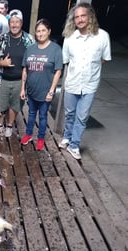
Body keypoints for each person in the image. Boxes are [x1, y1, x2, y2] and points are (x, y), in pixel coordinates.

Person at [58, 2, 111, 160]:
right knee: (70, 114)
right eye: (76, 17)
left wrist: (90, 67)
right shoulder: (69, 38)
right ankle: (67, 137)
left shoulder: (102, 36)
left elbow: (104, 59)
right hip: (72, 83)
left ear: (90, 17)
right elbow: (66, 60)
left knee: (82, 117)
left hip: (89, 85)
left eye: (83, 16)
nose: (80, 19)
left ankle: (74, 145)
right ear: (73, 20)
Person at [0, 10, 35, 137]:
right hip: (2, 78)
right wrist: (1, 63)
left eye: (17, 22)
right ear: (9, 23)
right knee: (0, 102)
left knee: (15, 104)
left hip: (20, 80)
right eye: (12, 22)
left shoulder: (29, 40)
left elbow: (34, 58)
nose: (14, 25)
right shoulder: (1, 38)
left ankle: (9, 125)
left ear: (21, 23)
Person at [20, 19, 63, 150]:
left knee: (43, 116)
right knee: (31, 114)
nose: (40, 33)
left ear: (49, 31)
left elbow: (58, 71)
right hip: (32, 90)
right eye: (38, 31)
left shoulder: (55, 49)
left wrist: (51, 91)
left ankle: (40, 138)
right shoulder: (30, 49)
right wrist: (23, 88)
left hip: (45, 92)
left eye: (43, 30)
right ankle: (28, 134)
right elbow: (25, 69)